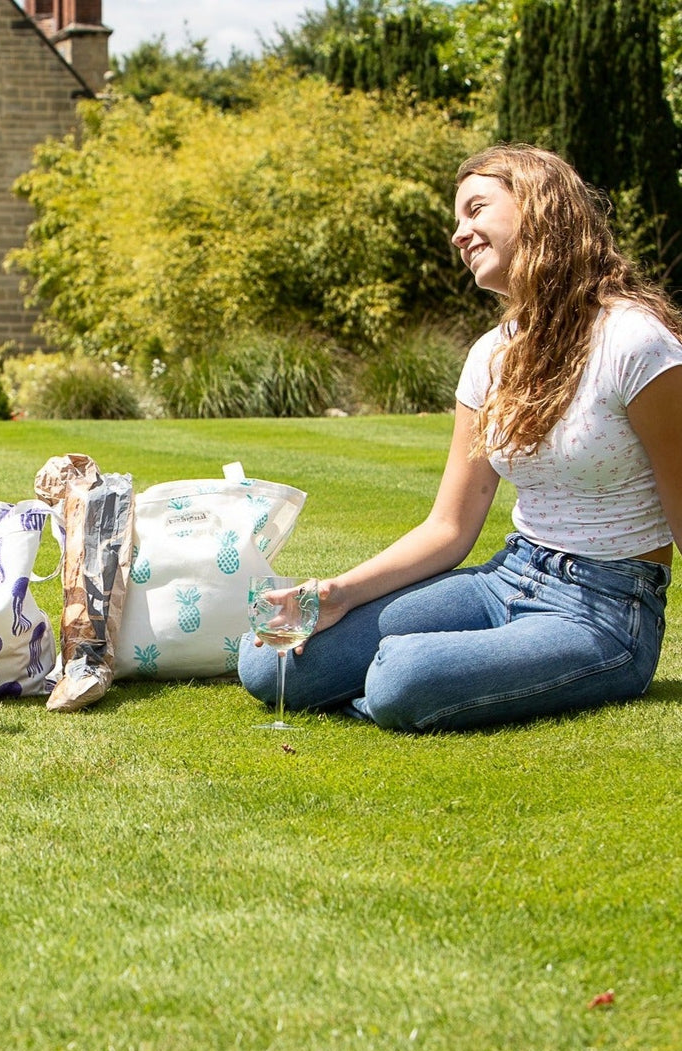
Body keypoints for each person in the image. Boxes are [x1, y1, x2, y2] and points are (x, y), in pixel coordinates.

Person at [240, 144, 682, 733]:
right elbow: (449, 529)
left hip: (604, 609)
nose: (459, 234)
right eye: (457, 220)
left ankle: (408, 683)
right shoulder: (490, 356)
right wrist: (337, 593)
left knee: (402, 677)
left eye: (476, 210)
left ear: (540, 208)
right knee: (269, 659)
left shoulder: (636, 342)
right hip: (509, 575)